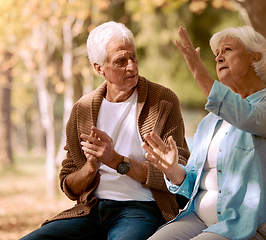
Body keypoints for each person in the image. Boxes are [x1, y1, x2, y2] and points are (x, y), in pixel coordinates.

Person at [21, 21, 189, 240]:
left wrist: (117, 161)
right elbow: (69, 184)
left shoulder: (163, 101)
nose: (132, 66)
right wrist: (90, 168)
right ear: (99, 68)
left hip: (142, 209)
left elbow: (180, 171)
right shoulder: (82, 109)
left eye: (133, 57)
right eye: (121, 61)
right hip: (90, 210)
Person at [142, 26, 266, 240]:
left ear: (254, 57)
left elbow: (247, 117)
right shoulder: (210, 121)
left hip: (250, 225)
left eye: (227, 49)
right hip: (199, 219)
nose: (219, 57)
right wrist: (172, 170)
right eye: (217, 54)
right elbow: (193, 182)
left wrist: (198, 73)